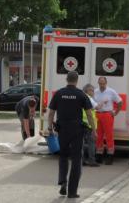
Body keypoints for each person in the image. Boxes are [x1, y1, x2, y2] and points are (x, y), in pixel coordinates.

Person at [46, 71, 95, 199]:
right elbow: (89, 114)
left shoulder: (59, 93)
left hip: (62, 130)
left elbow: (51, 113)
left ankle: (63, 181)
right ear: (77, 80)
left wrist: (49, 128)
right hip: (77, 131)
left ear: (66, 79)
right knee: (76, 159)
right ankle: (72, 192)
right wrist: (93, 129)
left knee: (63, 156)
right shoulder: (81, 94)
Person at [93, 76, 122, 165]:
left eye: (103, 83)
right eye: (100, 83)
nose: (102, 85)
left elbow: (120, 102)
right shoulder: (95, 91)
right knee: (98, 136)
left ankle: (110, 155)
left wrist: (116, 112)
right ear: (98, 83)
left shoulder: (111, 91)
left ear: (106, 83)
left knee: (109, 135)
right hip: (97, 114)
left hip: (107, 114)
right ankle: (99, 155)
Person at [82, 83, 100, 167]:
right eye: (92, 90)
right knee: (91, 143)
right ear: (88, 91)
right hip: (89, 125)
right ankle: (92, 161)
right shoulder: (89, 98)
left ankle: (81, 160)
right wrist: (103, 103)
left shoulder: (81, 97)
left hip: (81, 124)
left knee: (81, 144)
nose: (93, 92)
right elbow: (97, 107)